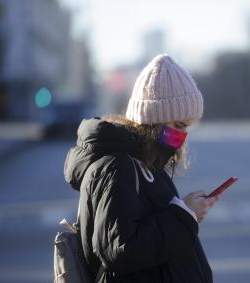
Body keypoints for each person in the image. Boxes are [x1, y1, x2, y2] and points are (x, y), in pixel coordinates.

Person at [64, 54, 220, 282]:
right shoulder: (117, 166)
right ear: (153, 119)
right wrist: (184, 215)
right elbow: (120, 249)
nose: (182, 136)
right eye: (178, 125)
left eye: (187, 127)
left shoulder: (148, 163)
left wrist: (187, 213)